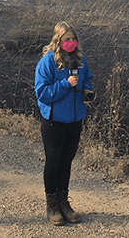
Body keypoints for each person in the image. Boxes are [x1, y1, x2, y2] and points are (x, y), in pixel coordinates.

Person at [34, 21, 94, 226]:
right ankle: (52, 205)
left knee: (67, 162)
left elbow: (87, 80)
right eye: (66, 39)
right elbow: (42, 93)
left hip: (75, 120)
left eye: (73, 39)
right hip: (54, 121)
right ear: (57, 40)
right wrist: (65, 84)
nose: (70, 42)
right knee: (54, 161)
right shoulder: (47, 62)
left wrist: (87, 91)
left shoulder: (80, 60)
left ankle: (64, 203)